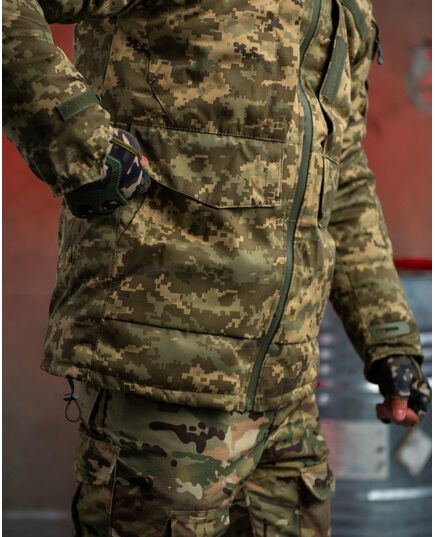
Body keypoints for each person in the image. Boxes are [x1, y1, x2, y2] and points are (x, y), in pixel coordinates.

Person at [3, 0, 431, 535]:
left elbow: (340, 175)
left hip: (288, 402)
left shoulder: (348, 8)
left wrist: (388, 336)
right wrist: (79, 144)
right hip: (164, 383)